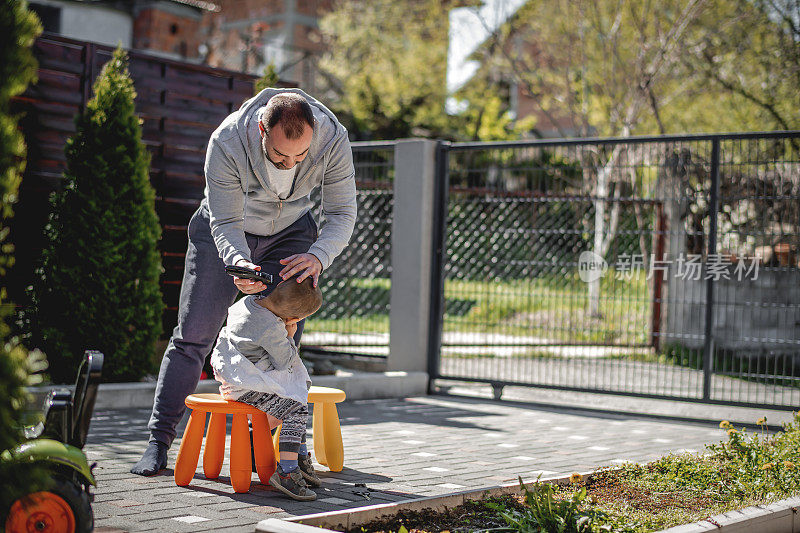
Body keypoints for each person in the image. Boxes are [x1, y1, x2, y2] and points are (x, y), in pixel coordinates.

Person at [131, 89, 356, 476]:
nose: (291, 164)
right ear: (261, 130)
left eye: (300, 157)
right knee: (194, 335)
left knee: (282, 335)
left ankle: (275, 444)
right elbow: (225, 223)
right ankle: (158, 440)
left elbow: (342, 210)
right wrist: (237, 262)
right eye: (280, 156)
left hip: (290, 233)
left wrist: (318, 255)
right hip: (225, 231)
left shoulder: (333, 139)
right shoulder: (228, 140)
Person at [211, 277, 322, 501]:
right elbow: (285, 362)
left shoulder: (247, 303)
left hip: (235, 377)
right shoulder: (271, 328)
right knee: (296, 408)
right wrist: (290, 336)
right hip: (246, 386)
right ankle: (288, 471)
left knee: (296, 396)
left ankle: (298, 458)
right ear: (292, 318)